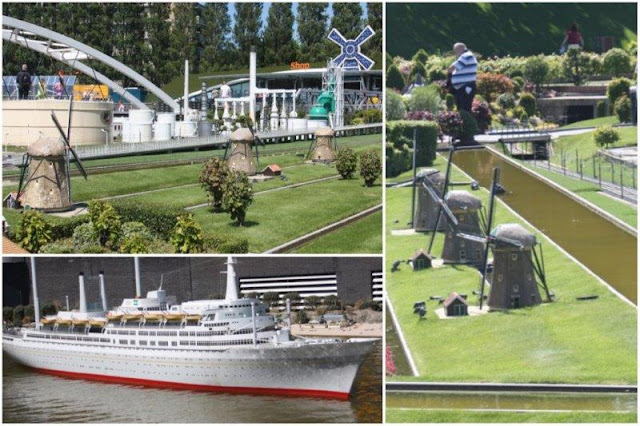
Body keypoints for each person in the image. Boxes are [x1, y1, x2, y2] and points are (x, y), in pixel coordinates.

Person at [447, 42, 477, 112]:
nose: (455, 53)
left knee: (463, 108)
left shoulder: (466, 56)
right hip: (464, 86)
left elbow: (451, 68)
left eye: (455, 51)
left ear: (460, 49)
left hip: (465, 86)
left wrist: (449, 75)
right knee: (463, 107)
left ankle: (466, 122)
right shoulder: (468, 56)